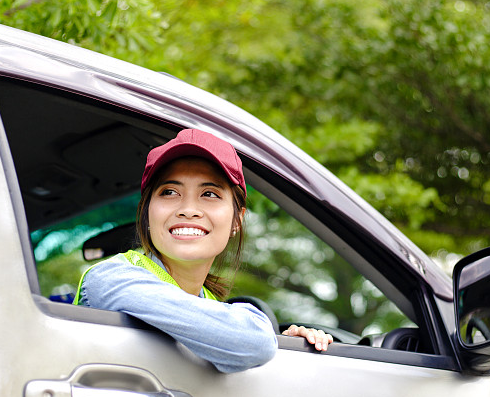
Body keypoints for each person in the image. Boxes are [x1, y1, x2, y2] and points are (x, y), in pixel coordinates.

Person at [76, 128, 331, 373]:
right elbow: (254, 342)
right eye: (169, 192)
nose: (188, 209)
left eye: (209, 194)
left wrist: (289, 345)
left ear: (237, 220)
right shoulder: (111, 279)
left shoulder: (208, 303)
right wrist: (261, 332)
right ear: (147, 213)